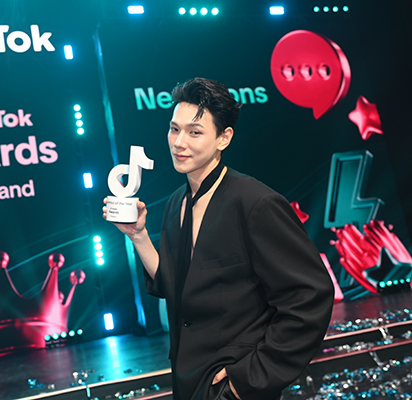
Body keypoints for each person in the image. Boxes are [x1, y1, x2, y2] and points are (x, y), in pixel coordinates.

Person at [103, 78, 334, 400]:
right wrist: (138, 236)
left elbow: (310, 296)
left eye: (194, 132)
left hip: (235, 383)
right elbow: (175, 287)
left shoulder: (255, 203)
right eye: (174, 129)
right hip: (190, 379)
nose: (179, 142)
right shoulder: (176, 203)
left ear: (224, 138)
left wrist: (249, 379)